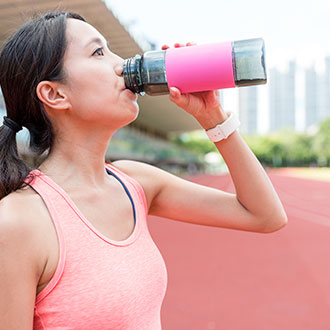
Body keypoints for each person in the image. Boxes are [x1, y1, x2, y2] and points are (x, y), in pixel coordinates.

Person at [0, 11, 287, 330]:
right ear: (55, 94)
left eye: (110, 49)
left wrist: (213, 119)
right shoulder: (17, 223)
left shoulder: (136, 182)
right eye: (97, 52)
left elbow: (264, 215)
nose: (121, 63)